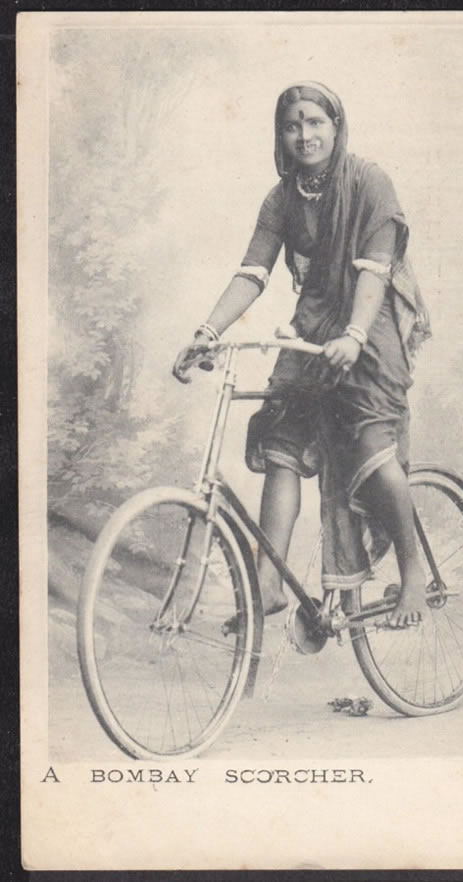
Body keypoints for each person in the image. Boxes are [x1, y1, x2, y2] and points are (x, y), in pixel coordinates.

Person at [173, 81, 431, 628]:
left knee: (369, 442)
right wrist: (207, 331)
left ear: (336, 126)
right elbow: (253, 272)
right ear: (281, 134)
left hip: (372, 323)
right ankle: (269, 583)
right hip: (314, 323)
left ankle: (413, 574)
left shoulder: (370, 182)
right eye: (292, 125)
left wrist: (355, 336)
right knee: (283, 442)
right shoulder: (281, 197)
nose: (304, 134)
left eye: (315, 122)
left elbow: (376, 272)